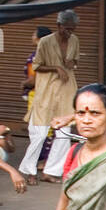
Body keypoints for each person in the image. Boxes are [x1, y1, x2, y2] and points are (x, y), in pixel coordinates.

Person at [22, 9, 80, 185]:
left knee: (64, 133)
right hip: (46, 91)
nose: (69, 32)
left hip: (66, 90)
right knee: (39, 133)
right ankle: (30, 171)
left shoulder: (75, 40)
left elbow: (75, 61)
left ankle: (51, 171)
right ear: (59, 25)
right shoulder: (46, 42)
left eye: (72, 29)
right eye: (66, 28)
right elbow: (38, 65)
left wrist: (71, 64)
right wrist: (56, 67)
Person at [22, 26, 55, 166]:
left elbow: (34, 79)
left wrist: (24, 84)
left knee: (39, 129)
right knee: (49, 128)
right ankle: (46, 161)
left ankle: (38, 161)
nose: (32, 36)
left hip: (39, 95)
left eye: (34, 34)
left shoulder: (37, 56)